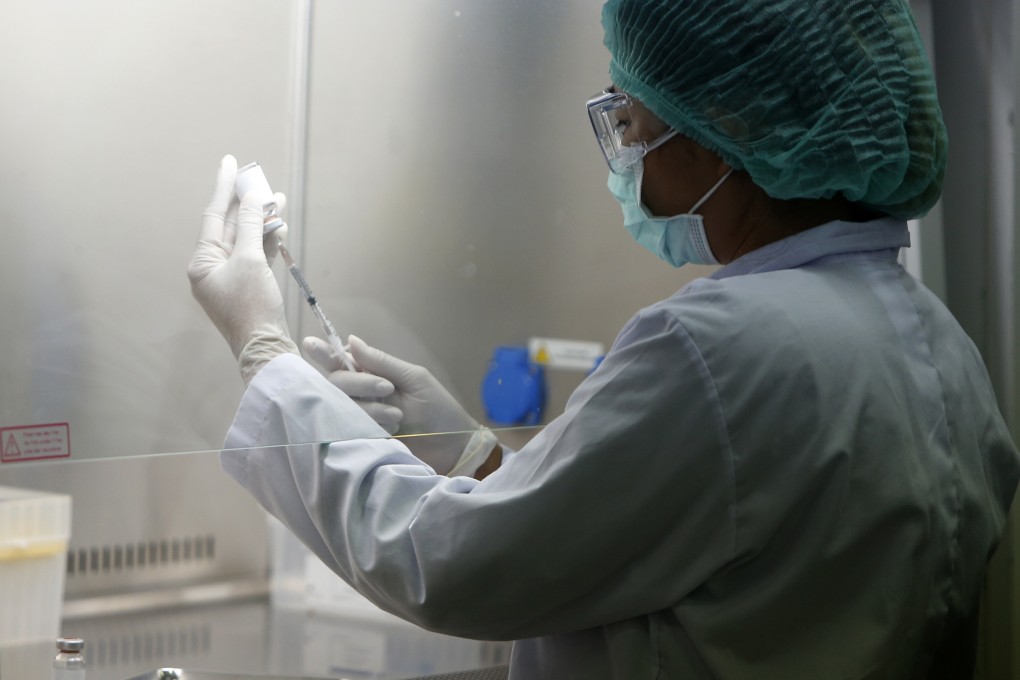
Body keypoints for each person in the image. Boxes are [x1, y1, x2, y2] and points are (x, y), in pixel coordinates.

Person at [187, 0, 1020, 677]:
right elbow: (694, 546)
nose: (626, 154)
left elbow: (454, 568)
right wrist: (477, 459)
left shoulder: (718, 350)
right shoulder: (942, 346)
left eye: (633, 121)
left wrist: (266, 353)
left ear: (724, 127)